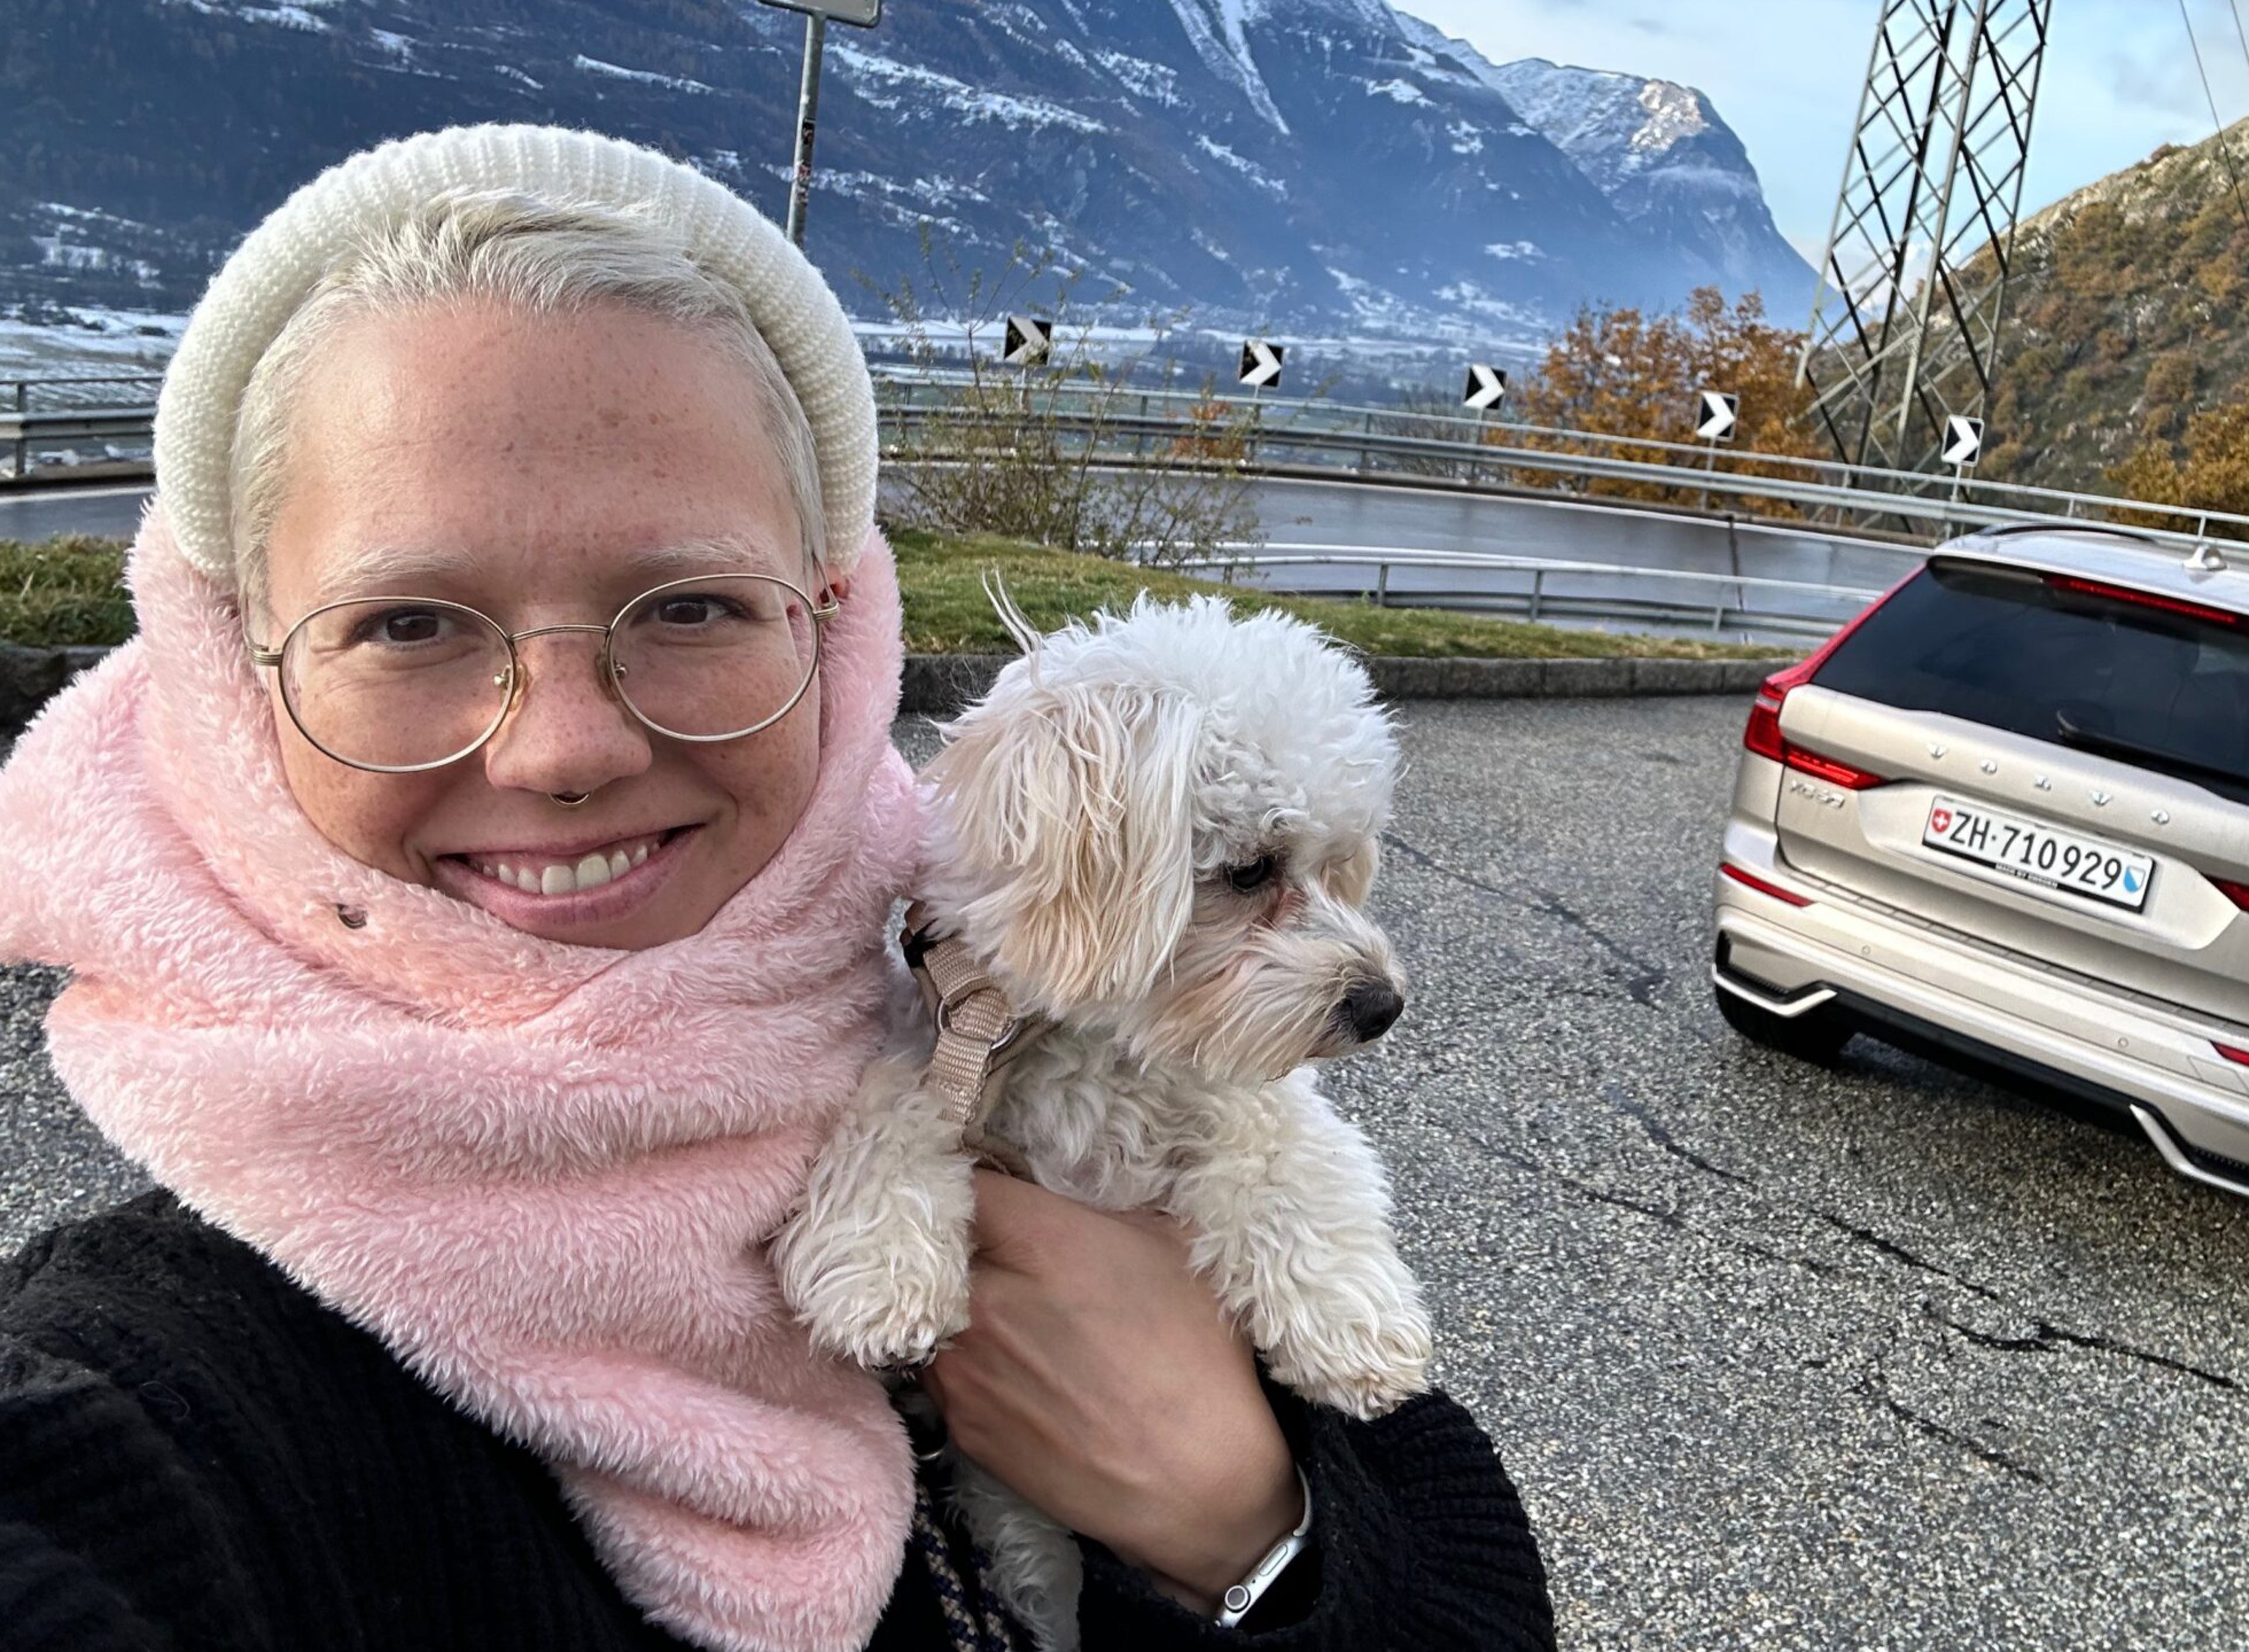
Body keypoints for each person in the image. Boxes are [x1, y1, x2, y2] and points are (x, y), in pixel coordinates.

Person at [0, 126, 1556, 1652]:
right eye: (407, 623)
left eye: (688, 603)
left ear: (833, 627)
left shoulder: (945, 1001)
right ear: (234, 667)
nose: (562, 748)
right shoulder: (155, 1385)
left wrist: (1254, 1533)